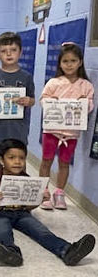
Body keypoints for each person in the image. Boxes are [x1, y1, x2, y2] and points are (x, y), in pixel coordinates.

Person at [0, 139, 95, 267]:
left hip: (22, 213)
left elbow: (29, 207)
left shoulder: (26, 179)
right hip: (1, 214)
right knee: (3, 231)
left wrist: (39, 200)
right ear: (1, 160)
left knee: (41, 231)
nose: (17, 162)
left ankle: (67, 250)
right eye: (11, 158)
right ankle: (11, 252)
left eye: (21, 158)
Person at [39, 43, 95, 210]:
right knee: (46, 161)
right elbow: (43, 99)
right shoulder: (53, 83)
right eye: (65, 61)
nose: (69, 64)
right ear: (60, 63)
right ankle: (44, 193)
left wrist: (84, 104)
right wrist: (50, 102)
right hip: (51, 130)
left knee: (64, 163)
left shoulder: (86, 85)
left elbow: (90, 105)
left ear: (80, 62)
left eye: (73, 60)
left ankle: (59, 192)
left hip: (71, 133)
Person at [0, 32, 35, 174]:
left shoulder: (26, 77)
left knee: (18, 168)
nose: (9, 54)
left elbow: (32, 99)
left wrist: (29, 101)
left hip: (18, 132)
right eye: (3, 51)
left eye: (13, 50)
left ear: (20, 52)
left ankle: (16, 195)